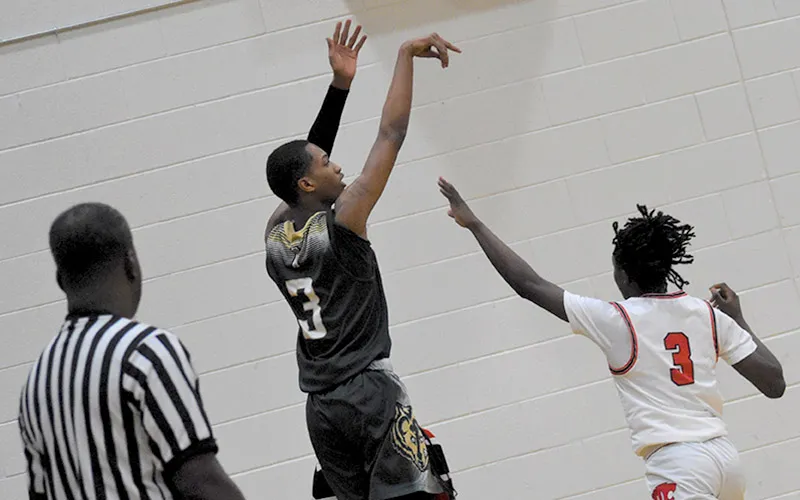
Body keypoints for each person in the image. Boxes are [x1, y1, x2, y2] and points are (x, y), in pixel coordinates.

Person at [437, 178, 785, 500]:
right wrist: (738, 319)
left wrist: (476, 225)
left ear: (622, 275)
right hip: (726, 459)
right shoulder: (706, 314)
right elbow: (774, 383)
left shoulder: (618, 320)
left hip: (679, 463)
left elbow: (529, 285)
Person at [263, 21, 461, 500]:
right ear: (308, 185)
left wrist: (340, 85)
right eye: (327, 165)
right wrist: (404, 57)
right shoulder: (346, 221)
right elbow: (391, 132)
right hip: (368, 395)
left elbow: (303, 164)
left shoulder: (273, 231)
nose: (337, 165)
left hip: (321, 410)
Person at [18, 203, 246, 500]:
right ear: (131, 264)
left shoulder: (37, 381)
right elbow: (200, 481)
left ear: (61, 281)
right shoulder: (146, 351)